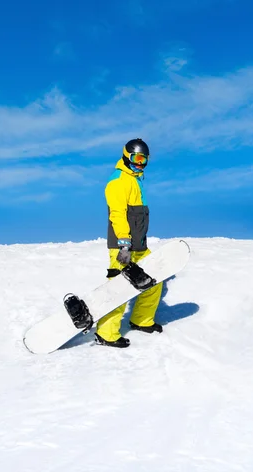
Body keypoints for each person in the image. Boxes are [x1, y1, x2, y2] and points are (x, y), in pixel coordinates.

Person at [95, 138, 163, 348]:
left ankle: (141, 320)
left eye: (144, 159)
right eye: (137, 158)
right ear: (127, 155)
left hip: (139, 244)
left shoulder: (135, 180)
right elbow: (117, 215)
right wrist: (124, 244)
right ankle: (106, 333)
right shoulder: (118, 181)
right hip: (122, 245)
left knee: (155, 277)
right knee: (120, 287)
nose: (140, 163)